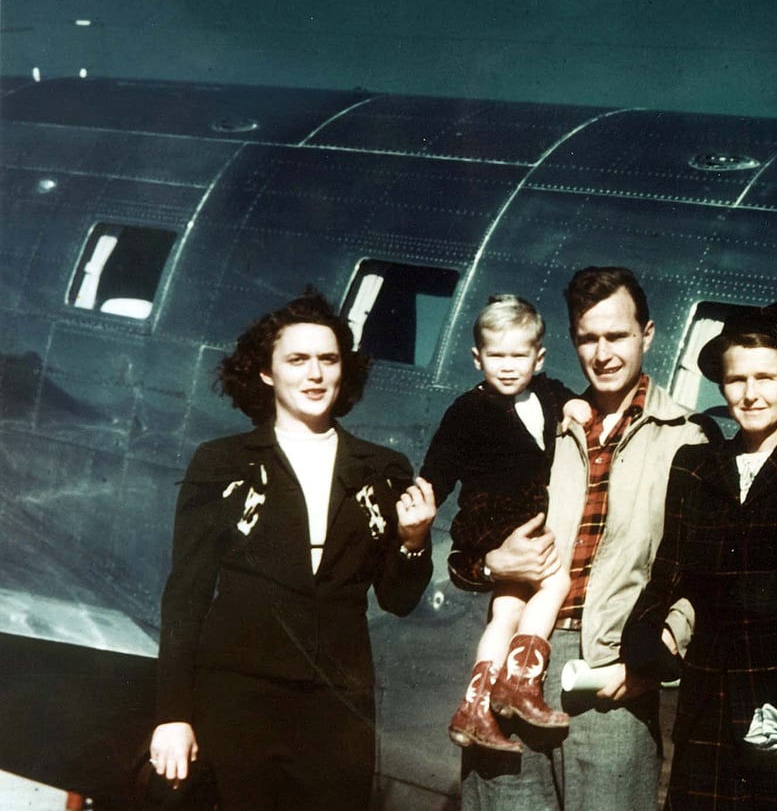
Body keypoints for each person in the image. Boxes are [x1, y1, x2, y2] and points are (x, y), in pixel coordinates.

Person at [148, 289, 435, 811]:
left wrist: (414, 541)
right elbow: (186, 595)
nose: (315, 375)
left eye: (329, 360)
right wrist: (173, 714)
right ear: (266, 372)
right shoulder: (222, 463)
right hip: (237, 697)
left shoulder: (381, 469)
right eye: (297, 360)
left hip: (336, 707)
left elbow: (397, 600)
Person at [457, 266, 716, 811]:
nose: (602, 354)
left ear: (647, 334)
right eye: (587, 338)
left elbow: (705, 570)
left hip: (610, 673)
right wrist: (493, 564)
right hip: (521, 657)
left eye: (617, 336)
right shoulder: (542, 424)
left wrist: (656, 657)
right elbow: (470, 541)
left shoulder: (690, 439)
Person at [622, 301, 777, 809]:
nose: (750, 393)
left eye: (765, 378)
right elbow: (670, 569)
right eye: (736, 379)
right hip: (709, 696)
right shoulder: (696, 465)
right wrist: (644, 634)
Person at [422, 294, 581, 752]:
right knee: (556, 582)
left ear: (538, 358)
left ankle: (474, 709)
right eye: (496, 356)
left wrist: (576, 407)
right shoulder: (468, 409)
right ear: (478, 359)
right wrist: (424, 500)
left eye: (518, 356)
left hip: (522, 520)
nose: (508, 366)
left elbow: (568, 399)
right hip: (493, 520)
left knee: (507, 609)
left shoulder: (548, 393)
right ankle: (520, 684)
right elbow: (439, 466)